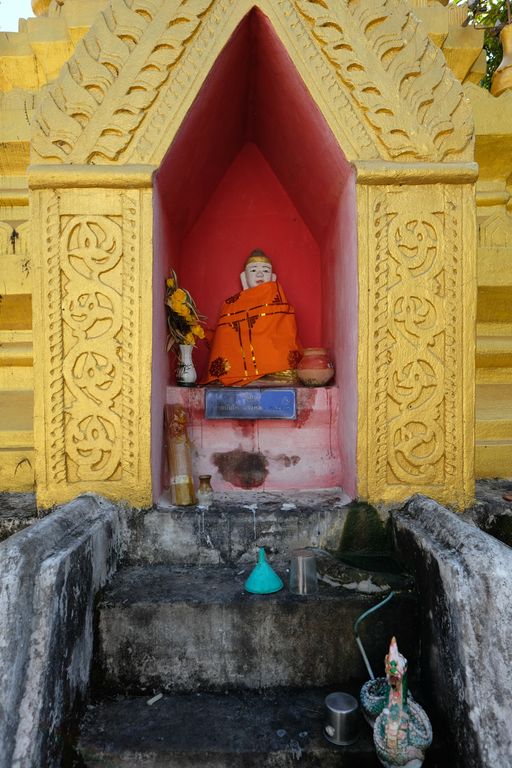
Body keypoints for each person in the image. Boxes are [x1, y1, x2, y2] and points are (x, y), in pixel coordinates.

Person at [204, 249, 301, 386]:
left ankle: (256, 376)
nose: (260, 274)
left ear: (273, 277)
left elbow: (286, 340)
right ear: (244, 277)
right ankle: (245, 377)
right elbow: (225, 344)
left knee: (291, 375)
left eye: (266, 270)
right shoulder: (230, 305)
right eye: (254, 270)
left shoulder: (281, 303)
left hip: (275, 370)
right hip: (239, 370)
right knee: (223, 378)